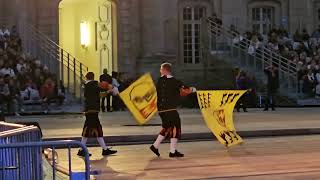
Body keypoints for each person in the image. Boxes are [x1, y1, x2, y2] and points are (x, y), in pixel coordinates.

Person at [150, 63, 195, 158]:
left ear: (165, 70)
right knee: (176, 127)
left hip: (161, 110)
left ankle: (155, 146)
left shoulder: (158, 81)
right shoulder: (175, 81)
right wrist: (193, 90)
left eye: (161, 69)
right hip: (170, 109)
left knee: (166, 127)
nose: (160, 71)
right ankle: (172, 151)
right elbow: (185, 91)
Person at [77, 72, 117, 157]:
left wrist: (109, 91)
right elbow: (104, 85)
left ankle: (104, 149)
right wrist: (112, 88)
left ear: (86, 77)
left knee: (96, 129)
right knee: (88, 129)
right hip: (92, 110)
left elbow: (99, 95)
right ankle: (81, 150)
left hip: (90, 110)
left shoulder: (87, 86)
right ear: (93, 77)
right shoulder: (93, 84)